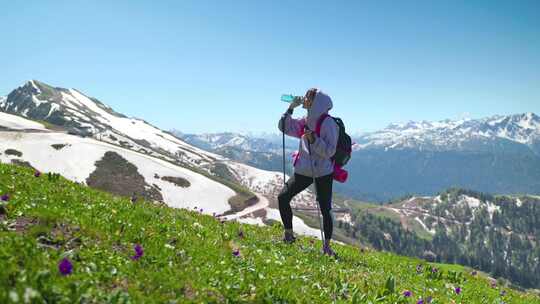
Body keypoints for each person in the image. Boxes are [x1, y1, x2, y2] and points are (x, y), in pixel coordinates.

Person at [277, 88, 339, 256]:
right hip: (305, 169)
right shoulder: (306, 121)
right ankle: (288, 235)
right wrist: (291, 108)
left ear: (316, 102)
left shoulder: (328, 124)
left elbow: (330, 151)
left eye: (308, 98)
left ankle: (327, 247)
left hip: (323, 171)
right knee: (283, 197)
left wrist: (314, 140)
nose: (305, 99)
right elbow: (283, 127)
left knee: (325, 209)